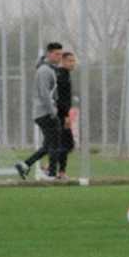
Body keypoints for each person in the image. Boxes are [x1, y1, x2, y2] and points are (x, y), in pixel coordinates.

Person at [16, 43, 64, 180]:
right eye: (56, 54)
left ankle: (24, 164)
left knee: (49, 145)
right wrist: (53, 112)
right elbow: (44, 94)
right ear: (49, 54)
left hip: (44, 112)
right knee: (54, 144)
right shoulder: (44, 70)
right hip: (45, 113)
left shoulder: (49, 69)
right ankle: (51, 173)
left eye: (61, 54)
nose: (59, 57)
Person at [56, 52, 77, 180]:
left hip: (62, 113)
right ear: (63, 61)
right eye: (70, 61)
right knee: (67, 144)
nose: (72, 63)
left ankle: (52, 167)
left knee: (66, 143)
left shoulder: (66, 74)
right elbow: (61, 99)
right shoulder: (61, 75)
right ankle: (60, 172)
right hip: (60, 115)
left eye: (74, 61)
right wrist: (65, 116)